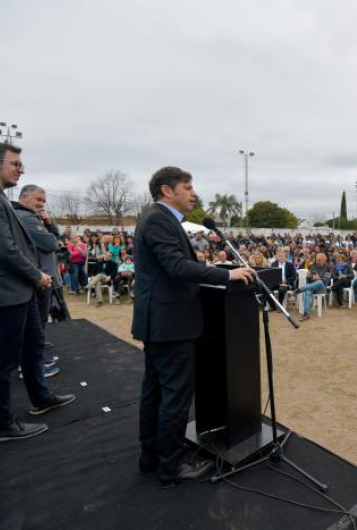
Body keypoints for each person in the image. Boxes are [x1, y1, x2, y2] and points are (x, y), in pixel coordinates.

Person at [132, 166, 255, 488]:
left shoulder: (157, 218)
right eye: (187, 187)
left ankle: (152, 457)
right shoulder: (159, 219)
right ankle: (172, 466)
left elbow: (170, 265)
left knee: (156, 392)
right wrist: (227, 274)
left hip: (161, 322)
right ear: (167, 190)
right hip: (171, 325)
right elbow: (175, 266)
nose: (194, 193)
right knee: (173, 397)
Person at [0, 142, 74, 442]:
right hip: (2, 292)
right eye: (15, 164)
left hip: (17, 291)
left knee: (32, 346)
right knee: (1, 360)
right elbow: (3, 250)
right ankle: (3, 424)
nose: (20, 169)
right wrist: (36, 275)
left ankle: (40, 398)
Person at [12, 184, 62, 368]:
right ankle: (33, 361)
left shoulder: (33, 217)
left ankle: (34, 355)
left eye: (44, 201)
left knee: (39, 320)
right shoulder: (26, 217)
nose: (42, 204)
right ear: (23, 198)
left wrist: (48, 223)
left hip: (42, 274)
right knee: (36, 322)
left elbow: (56, 240)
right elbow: (52, 243)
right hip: (39, 276)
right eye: (38, 199)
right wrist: (49, 228)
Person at [297, 252, 335, 320]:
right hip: (311, 286)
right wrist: (309, 276)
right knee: (307, 291)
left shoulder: (329, 267)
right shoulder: (312, 266)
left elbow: (327, 281)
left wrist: (319, 278)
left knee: (319, 282)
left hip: (321, 288)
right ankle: (306, 313)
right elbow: (308, 279)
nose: (317, 261)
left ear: (324, 260)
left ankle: (300, 289)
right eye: (316, 260)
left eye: (319, 260)